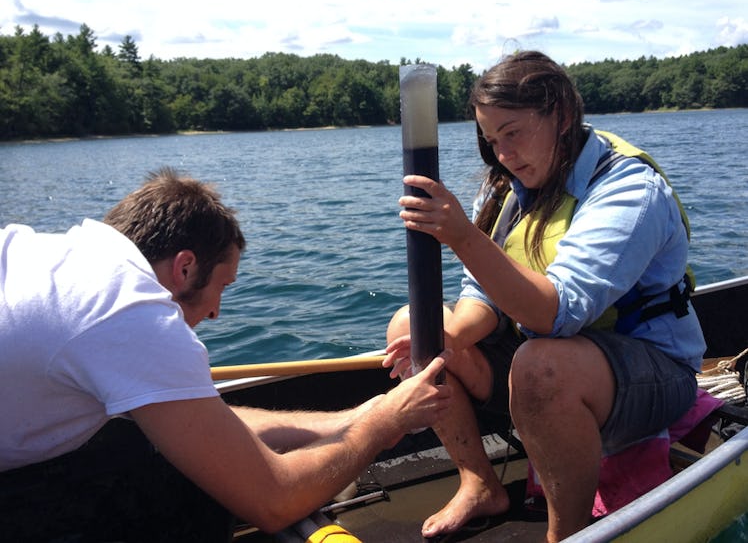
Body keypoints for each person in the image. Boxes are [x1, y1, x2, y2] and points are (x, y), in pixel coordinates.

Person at [0, 167, 452, 542]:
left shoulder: (51, 255)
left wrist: (360, 415)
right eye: (223, 287)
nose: (216, 311)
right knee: (193, 487)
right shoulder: (126, 307)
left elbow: (206, 426)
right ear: (185, 266)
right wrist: (383, 424)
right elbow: (273, 501)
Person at [384, 50, 706, 542]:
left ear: (560, 116)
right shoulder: (510, 189)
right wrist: (447, 337)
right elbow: (485, 294)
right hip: (546, 361)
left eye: (512, 133)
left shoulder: (629, 190)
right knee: (415, 323)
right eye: (492, 141)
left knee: (542, 365)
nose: (503, 154)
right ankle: (478, 483)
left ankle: (568, 533)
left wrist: (462, 236)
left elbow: (556, 314)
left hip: (652, 375)